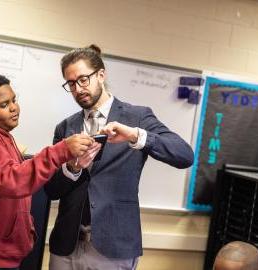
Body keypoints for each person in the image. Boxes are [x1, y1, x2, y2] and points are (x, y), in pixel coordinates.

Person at [44, 45, 195, 270]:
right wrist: (72, 169)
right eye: (71, 83)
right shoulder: (65, 127)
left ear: (101, 75)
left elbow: (184, 155)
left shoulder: (137, 117)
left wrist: (136, 135)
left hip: (114, 248)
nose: (78, 88)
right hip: (66, 247)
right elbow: (51, 190)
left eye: (83, 79)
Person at [0, 74, 95, 270]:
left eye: (14, 100)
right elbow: (12, 181)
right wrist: (62, 150)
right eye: (3, 105)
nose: (14, 108)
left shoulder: (2, 136)